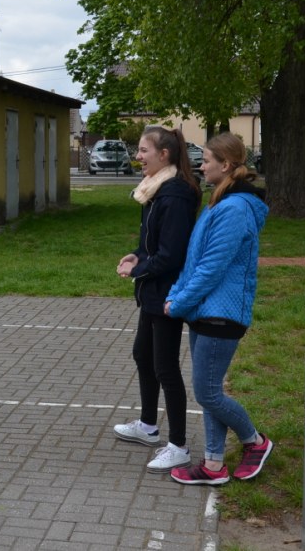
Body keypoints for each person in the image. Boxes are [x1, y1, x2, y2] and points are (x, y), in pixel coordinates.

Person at [164, 132, 273, 486]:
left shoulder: (235, 209)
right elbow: (195, 260)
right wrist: (178, 294)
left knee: (208, 393)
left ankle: (255, 441)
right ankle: (213, 465)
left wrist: (179, 302)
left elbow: (212, 268)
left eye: (207, 160)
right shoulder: (219, 203)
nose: (201, 164)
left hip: (222, 314)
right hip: (205, 312)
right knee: (210, 392)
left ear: (225, 165)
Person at [113, 126, 201, 472]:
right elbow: (151, 245)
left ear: (164, 155)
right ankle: (148, 427)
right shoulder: (155, 190)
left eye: (143, 150)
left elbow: (171, 255)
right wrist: (136, 256)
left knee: (165, 367)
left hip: (166, 294)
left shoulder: (175, 194)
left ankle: (178, 445)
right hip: (152, 290)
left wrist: (140, 270)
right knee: (142, 354)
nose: (138, 156)